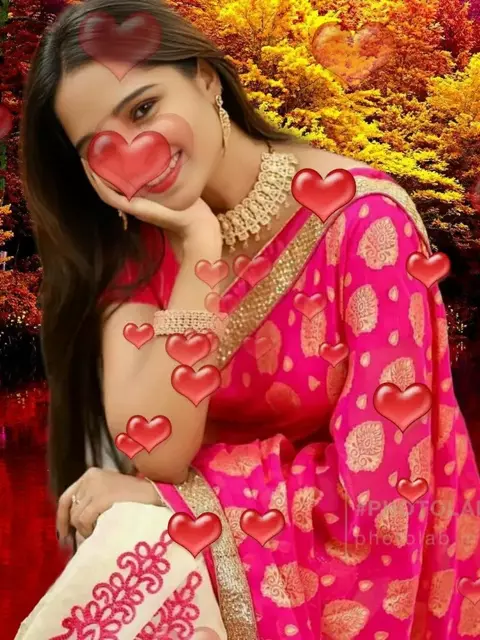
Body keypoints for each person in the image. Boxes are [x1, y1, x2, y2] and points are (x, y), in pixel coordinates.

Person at [15, 0, 480, 637]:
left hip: (339, 577)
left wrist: (180, 502)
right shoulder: (131, 248)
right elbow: (157, 454)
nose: (137, 153)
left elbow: (383, 502)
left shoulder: (365, 225)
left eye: (144, 109)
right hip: (202, 555)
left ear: (206, 78)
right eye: (101, 145)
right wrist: (198, 250)